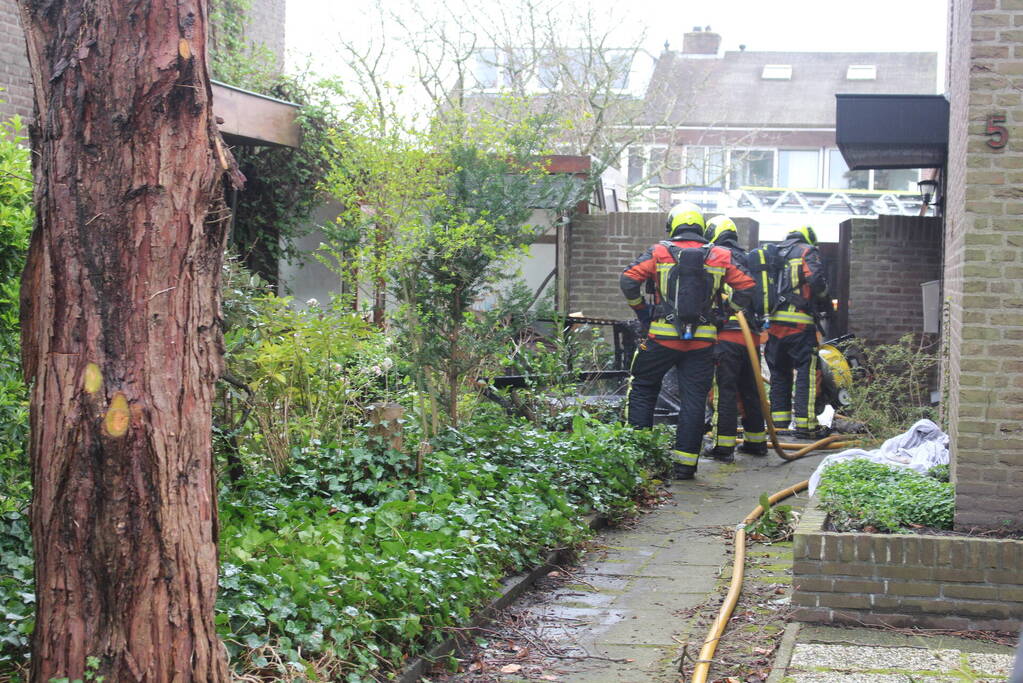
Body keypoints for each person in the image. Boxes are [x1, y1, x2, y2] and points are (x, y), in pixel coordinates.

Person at [620, 202, 755, 479]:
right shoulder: (719, 254)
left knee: (644, 387)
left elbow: (628, 280)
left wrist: (643, 314)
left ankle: (638, 456)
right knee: (694, 400)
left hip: (658, 339)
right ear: (701, 227)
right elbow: (746, 287)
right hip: (703, 343)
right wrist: (726, 314)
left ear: (673, 226)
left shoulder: (659, 251)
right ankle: (685, 465)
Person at [702, 216, 768, 462]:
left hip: (727, 333)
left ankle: (722, 445)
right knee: (751, 388)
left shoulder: (716, 256)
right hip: (750, 335)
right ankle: (756, 442)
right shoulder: (748, 258)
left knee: (725, 390)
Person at [765, 225, 830, 440]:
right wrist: (823, 295)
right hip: (800, 326)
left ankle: (780, 425)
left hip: (773, 326)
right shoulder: (807, 251)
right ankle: (806, 426)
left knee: (779, 374)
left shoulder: (773, 253)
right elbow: (816, 282)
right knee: (806, 374)